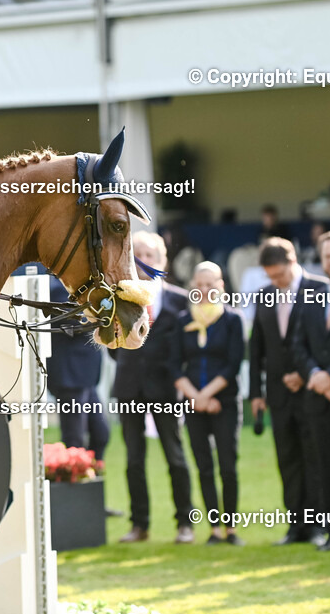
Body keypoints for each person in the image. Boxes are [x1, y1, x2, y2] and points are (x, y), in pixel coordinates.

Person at [112, 232, 194, 544]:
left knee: (176, 457)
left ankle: (185, 523)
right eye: (138, 254)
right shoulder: (121, 299)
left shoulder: (179, 299)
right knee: (134, 461)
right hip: (129, 387)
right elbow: (112, 346)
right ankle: (139, 525)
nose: (144, 260)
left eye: (151, 255)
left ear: (163, 261)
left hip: (166, 390)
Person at [249, 237, 328, 546]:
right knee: (288, 459)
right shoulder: (263, 296)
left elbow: (326, 341)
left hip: (312, 389)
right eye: (270, 276)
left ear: (293, 262)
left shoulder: (320, 289)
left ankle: (318, 525)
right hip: (278, 394)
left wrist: (305, 374)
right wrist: (256, 392)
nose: (275, 281)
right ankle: (295, 526)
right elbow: (257, 349)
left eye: (279, 275)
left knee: (317, 457)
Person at [170, 261, 245, 545]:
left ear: (221, 286)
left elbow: (233, 364)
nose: (203, 290)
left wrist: (208, 395)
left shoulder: (232, 320)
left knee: (227, 465)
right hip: (193, 404)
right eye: (198, 285)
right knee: (204, 466)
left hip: (224, 401)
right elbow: (175, 365)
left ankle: (231, 529)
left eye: (209, 285)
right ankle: (213, 529)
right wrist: (196, 397)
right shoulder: (182, 321)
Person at [292, 230, 330, 552]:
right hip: (320, 402)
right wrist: (316, 375)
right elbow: (298, 344)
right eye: (326, 256)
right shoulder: (311, 297)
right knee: (328, 470)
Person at [46, 276, 109, 461]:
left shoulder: (83, 288)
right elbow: (72, 323)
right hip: (69, 376)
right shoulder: (57, 288)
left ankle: (91, 478)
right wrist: (103, 316)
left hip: (86, 377)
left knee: (101, 434)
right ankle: (76, 481)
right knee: (74, 439)